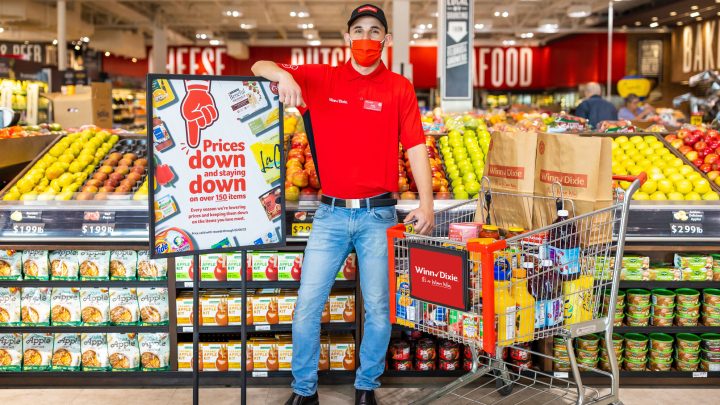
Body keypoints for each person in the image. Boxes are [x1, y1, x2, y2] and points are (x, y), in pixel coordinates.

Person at [251, 4, 435, 405]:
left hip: (378, 215)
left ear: (386, 40)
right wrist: (283, 75)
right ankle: (304, 390)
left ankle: (366, 385)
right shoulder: (321, 77)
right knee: (306, 307)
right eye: (359, 30)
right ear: (346, 37)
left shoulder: (399, 88)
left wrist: (427, 203)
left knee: (379, 311)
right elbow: (258, 66)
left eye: (375, 31)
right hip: (330, 215)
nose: (366, 38)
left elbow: (417, 147)